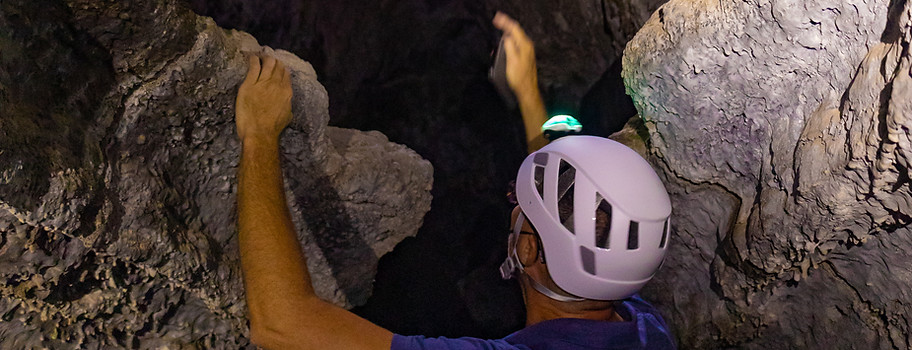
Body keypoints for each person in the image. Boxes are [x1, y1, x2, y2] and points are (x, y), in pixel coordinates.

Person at [234, 11, 676, 350]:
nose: (513, 204)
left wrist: (258, 136)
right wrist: (527, 95)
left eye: (517, 207)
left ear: (526, 249)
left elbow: (281, 323)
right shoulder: (646, 327)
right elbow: (562, 197)